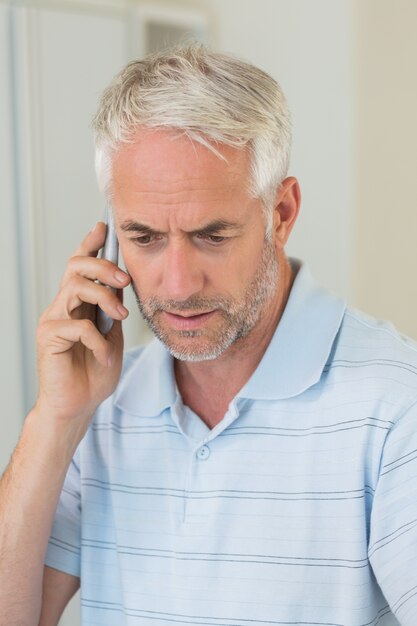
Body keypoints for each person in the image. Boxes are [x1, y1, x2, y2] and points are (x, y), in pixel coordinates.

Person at [1, 43, 417, 626]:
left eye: (211, 236)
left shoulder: (396, 406)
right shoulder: (99, 404)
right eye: (144, 237)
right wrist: (55, 419)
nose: (177, 284)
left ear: (282, 213)